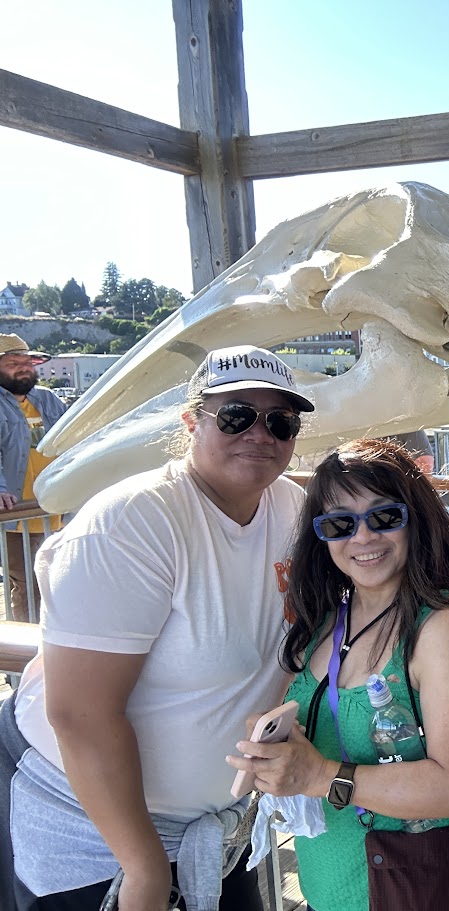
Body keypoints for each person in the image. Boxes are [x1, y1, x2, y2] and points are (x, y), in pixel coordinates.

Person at [0, 344, 312, 911]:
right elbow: (80, 713)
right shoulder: (133, 524)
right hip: (98, 841)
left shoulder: (291, 509)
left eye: (280, 421)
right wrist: (141, 867)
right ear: (192, 421)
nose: (260, 434)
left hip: (217, 831)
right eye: (237, 415)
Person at [227, 438, 449, 911]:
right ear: (320, 538)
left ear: (416, 521)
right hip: (327, 890)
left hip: (411, 893)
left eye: (385, 517)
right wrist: (276, 746)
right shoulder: (325, 621)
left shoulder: (440, 626)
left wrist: (320, 774)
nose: (363, 537)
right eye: (340, 523)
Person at [0, 335, 66, 622]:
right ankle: (28, 658)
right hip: (16, 518)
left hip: (56, 513)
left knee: (60, 584)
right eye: (13, 363)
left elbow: (74, 435)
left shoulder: (47, 399)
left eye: (27, 362)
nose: (23, 368)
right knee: (28, 587)